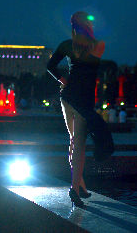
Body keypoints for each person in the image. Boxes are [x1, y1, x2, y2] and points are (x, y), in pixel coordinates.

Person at [47, 11, 114, 208]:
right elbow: (90, 64)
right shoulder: (98, 45)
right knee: (80, 145)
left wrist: (64, 80)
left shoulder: (67, 45)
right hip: (83, 100)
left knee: (73, 141)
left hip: (67, 97)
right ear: (88, 26)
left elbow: (51, 65)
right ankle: (74, 189)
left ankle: (80, 185)